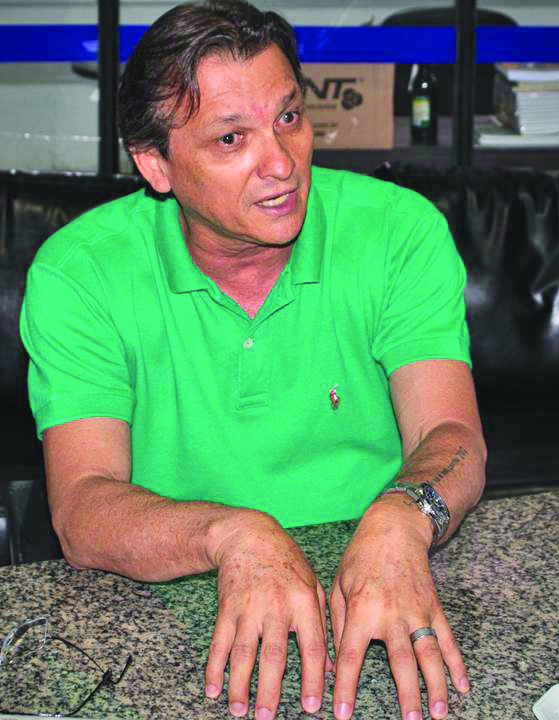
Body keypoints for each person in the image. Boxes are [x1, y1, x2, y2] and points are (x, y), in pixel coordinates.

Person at [19, 2, 484, 720]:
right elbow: (82, 505)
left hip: (386, 578)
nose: (282, 163)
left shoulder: (399, 232)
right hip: (171, 603)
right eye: (232, 138)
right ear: (155, 164)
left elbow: (450, 437)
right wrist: (233, 532)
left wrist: (402, 517)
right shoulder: (80, 273)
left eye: (289, 118)